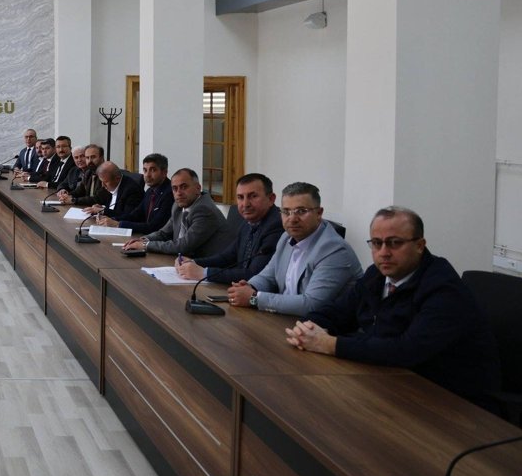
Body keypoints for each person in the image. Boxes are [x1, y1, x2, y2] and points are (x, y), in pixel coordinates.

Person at [287, 207, 501, 410]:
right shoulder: (376, 275)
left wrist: (328, 344)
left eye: (394, 243)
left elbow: (406, 350)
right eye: (376, 243)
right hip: (390, 381)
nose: (384, 253)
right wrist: (308, 328)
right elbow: (338, 311)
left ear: (420, 245)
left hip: (453, 401)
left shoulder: (443, 289)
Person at [227, 182, 361, 316]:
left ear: (319, 213)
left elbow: (311, 304)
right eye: (286, 212)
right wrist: (249, 287)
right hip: (286, 319)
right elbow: (268, 276)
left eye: (301, 211)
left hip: (323, 326)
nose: (292, 219)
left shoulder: (334, 250)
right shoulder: (286, 237)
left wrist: (254, 298)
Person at [176, 173, 283, 284]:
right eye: (240, 197)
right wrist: (192, 262)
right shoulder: (248, 222)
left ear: (271, 199)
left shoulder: (277, 225)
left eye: (253, 196)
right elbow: (226, 258)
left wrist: (204, 273)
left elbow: (254, 274)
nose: (245, 204)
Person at [123, 168, 232, 257]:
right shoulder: (178, 206)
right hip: (184, 261)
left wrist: (145, 245)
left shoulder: (204, 210)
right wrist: (143, 239)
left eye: (184, 187)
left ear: (198, 188)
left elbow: (183, 246)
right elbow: (163, 233)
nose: (179, 193)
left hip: (207, 267)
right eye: (175, 189)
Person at [94, 153, 173, 235]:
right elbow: (135, 215)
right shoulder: (150, 191)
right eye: (145, 170)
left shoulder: (170, 194)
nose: (147, 175)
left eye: (153, 170)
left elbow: (154, 227)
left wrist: (118, 224)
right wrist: (113, 219)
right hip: (144, 236)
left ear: (164, 172)